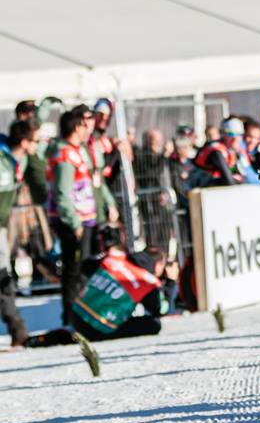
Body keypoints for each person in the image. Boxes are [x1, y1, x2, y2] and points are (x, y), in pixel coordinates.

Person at [23, 239, 175, 347]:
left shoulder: (116, 258)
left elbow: (86, 266)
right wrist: (171, 282)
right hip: (99, 327)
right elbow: (161, 310)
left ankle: (47, 338)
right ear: (159, 265)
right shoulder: (146, 280)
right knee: (154, 325)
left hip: (77, 315)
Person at [47, 108, 98, 327]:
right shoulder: (65, 154)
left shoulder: (79, 150)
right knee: (74, 271)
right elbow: (62, 193)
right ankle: (71, 319)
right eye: (85, 125)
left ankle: (81, 315)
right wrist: (74, 222)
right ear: (76, 127)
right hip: (73, 223)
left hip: (86, 219)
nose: (88, 129)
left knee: (84, 268)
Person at [0, 121, 38, 345]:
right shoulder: (4, 161)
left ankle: (17, 328)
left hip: (2, 225)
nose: (38, 143)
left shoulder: (16, 160)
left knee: (3, 275)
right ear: (24, 142)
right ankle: (17, 328)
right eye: (34, 140)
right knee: (2, 275)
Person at [194, 118, 252, 186]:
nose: (235, 138)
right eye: (231, 134)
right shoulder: (216, 152)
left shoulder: (233, 151)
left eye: (239, 134)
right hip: (199, 185)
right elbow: (229, 181)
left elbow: (245, 175)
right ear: (223, 135)